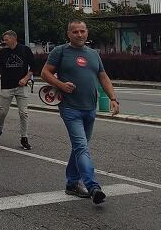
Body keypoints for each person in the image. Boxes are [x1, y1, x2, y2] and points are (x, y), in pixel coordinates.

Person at [41, 20, 120, 205]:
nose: (79, 34)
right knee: (82, 147)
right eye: (75, 31)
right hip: (70, 108)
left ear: (87, 32)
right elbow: (45, 73)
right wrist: (60, 85)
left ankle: (71, 184)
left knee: (79, 147)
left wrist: (113, 99)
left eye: (82, 31)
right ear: (68, 34)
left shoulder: (93, 54)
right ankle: (93, 187)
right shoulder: (60, 51)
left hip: (90, 108)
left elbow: (103, 76)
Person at [0, 30, 35, 150]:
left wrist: (26, 78)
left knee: (23, 113)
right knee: (2, 112)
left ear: (14, 39)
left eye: (6, 39)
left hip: (22, 87)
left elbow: (34, 66)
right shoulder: (2, 52)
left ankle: (24, 137)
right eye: (3, 40)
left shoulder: (25, 50)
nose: (4, 42)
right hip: (6, 86)